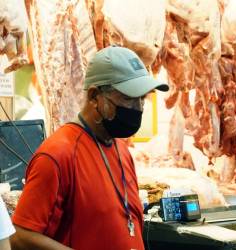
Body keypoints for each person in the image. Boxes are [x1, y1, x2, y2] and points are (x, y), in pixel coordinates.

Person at [10, 46, 169, 249]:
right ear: (94, 96)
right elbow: (20, 236)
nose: (137, 108)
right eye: (129, 98)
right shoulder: (57, 154)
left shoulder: (121, 149)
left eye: (142, 99)